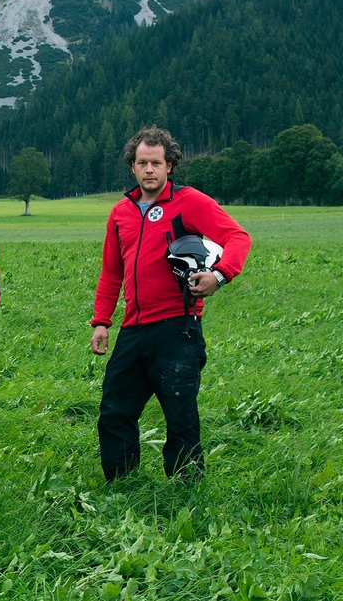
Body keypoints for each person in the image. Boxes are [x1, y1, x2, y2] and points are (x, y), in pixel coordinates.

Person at [90, 126, 252, 481]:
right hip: (133, 329)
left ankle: (186, 488)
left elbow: (238, 237)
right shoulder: (121, 212)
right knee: (115, 410)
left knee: (180, 415)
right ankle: (121, 484)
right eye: (142, 162)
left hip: (177, 326)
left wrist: (219, 275)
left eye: (156, 163)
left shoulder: (188, 201)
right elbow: (111, 271)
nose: (149, 169)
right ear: (132, 166)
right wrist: (102, 321)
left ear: (170, 166)